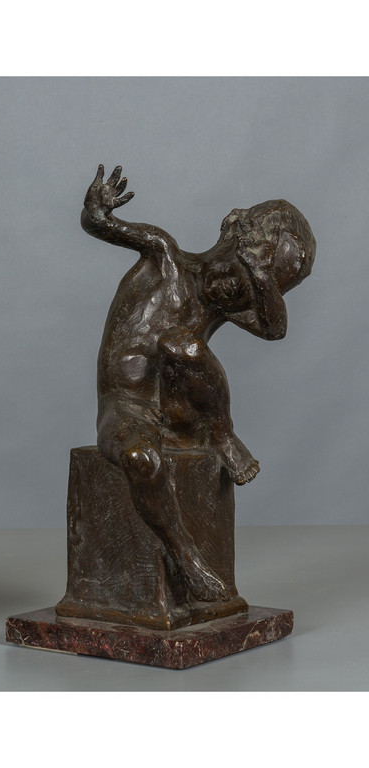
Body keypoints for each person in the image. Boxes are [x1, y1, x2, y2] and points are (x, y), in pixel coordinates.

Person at [82, 164, 315, 602]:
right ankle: (185, 557)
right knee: (140, 458)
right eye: (240, 270)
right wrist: (98, 206)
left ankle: (223, 435)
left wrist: (260, 276)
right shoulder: (164, 254)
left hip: (181, 413)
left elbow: (274, 329)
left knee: (181, 345)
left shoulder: (222, 305)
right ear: (231, 237)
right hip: (125, 405)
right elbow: (98, 224)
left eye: (250, 288)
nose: (236, 290)